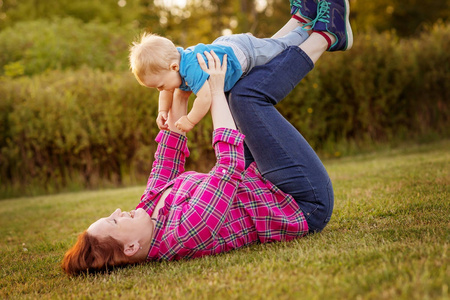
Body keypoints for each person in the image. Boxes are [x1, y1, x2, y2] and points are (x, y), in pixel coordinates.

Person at [62, 0, 353, 275]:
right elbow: (229, 168)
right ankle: (327, 35)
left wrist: (178, 101)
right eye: (114, 220)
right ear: (131, 247)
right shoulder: (183, 234)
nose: (117, 211)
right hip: (299, 203)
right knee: (244, 98)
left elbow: (167, 161)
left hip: (263, 181)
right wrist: (213, 92)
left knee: (232, 86)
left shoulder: (147, 210)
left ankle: (300, 22)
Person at [130, 26, 310, 133]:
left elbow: (205, 98)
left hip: (243, 54)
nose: (161, 90)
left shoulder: (190, 68)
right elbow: (167, 90)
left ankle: (307, 29)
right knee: (272, 45)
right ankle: (301, 24)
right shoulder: (174, 65)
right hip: (223, 44)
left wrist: (190, 120)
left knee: (281, 48)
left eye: (159, 85)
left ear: (174, 68)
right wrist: (162, 111)